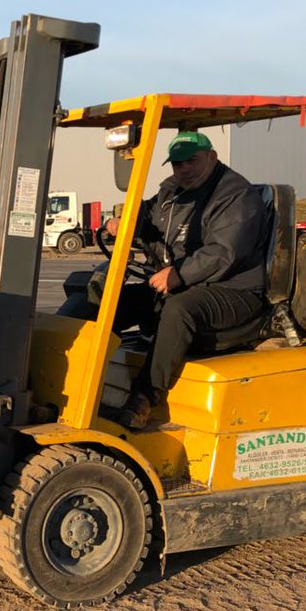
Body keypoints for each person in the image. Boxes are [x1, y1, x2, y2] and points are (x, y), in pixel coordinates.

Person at [104, 131, 269, 430]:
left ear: (212, 157)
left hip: (235, 291)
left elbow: (224, 252)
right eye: (177, 164)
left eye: (191, 161)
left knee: (179, 309)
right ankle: (75, 375)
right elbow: (149, 214)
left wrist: (180, 274)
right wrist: (125, 221)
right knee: (114, 300)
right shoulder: (173, 191)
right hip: (190, 282)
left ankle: (143, 398)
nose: (184, 170)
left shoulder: (235, 195)